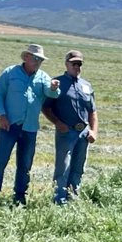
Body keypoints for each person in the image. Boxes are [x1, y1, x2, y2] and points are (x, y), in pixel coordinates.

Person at [0, 44, 60, 207]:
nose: (38, 62)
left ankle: (20, 197)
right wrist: (2, 115)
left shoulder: (43, 77)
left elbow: (51, 92)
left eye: (40, 60)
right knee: (0, 162)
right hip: (9, 125)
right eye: (35, 58)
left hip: (30, 127)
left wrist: (54, 88)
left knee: (25, 165)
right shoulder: (10, 73)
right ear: (26, 57)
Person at [45, 49, 97, 204]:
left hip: (83, 133)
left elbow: (92, 111)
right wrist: (58, 123)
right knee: (63, 167)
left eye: (79, 64)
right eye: (73, 63)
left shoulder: (86, 86)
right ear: (66, 64)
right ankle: (59, 200)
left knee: (78, 167)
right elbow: (46, 107)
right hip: (66, 132)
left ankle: (73, 198)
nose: (77, 67)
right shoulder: (57, 83)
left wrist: (93, 131)